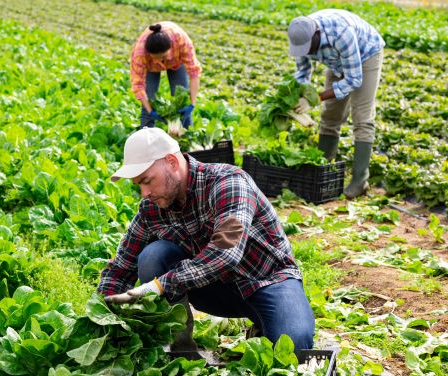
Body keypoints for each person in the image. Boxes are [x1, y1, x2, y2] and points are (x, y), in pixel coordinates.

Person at [98, 127, 315, 355]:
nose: (144, 193)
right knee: (154, 255)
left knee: (294, 343)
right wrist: (103, 315)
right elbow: (120, 269)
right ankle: (181, 352)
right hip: (213, 290)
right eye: (138, 185)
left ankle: (264, 326)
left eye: (147, 180)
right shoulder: (152, 209)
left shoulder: (228, 183)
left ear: (172, 161)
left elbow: (225, 252)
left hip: (267, 281)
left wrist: (162, 285)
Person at [287, 9, 385, 199]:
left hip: (365, 56)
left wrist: (315, 98)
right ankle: (323, 167)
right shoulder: (301, 37)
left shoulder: (340, 33)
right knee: (330, 115)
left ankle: (360, 180)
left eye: (309, 47)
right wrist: (298, 95)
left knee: (362, 117)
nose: (306, 51)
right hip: (336, 61)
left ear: (317, 34)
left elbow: (354, 80)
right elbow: (303, 72)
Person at [130, 22, 201, 132]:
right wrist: (150, 111)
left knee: (182, 99)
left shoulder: (180, 40)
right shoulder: (140, 54)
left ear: (170, 47)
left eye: (162, 57)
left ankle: (186, 135)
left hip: (176, 63)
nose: (159, 61)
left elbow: (194, 73)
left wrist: (192, 103)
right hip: (151, 68)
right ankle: (146, 137)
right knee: (150, 99)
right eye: (155, 58)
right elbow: (138, 85)